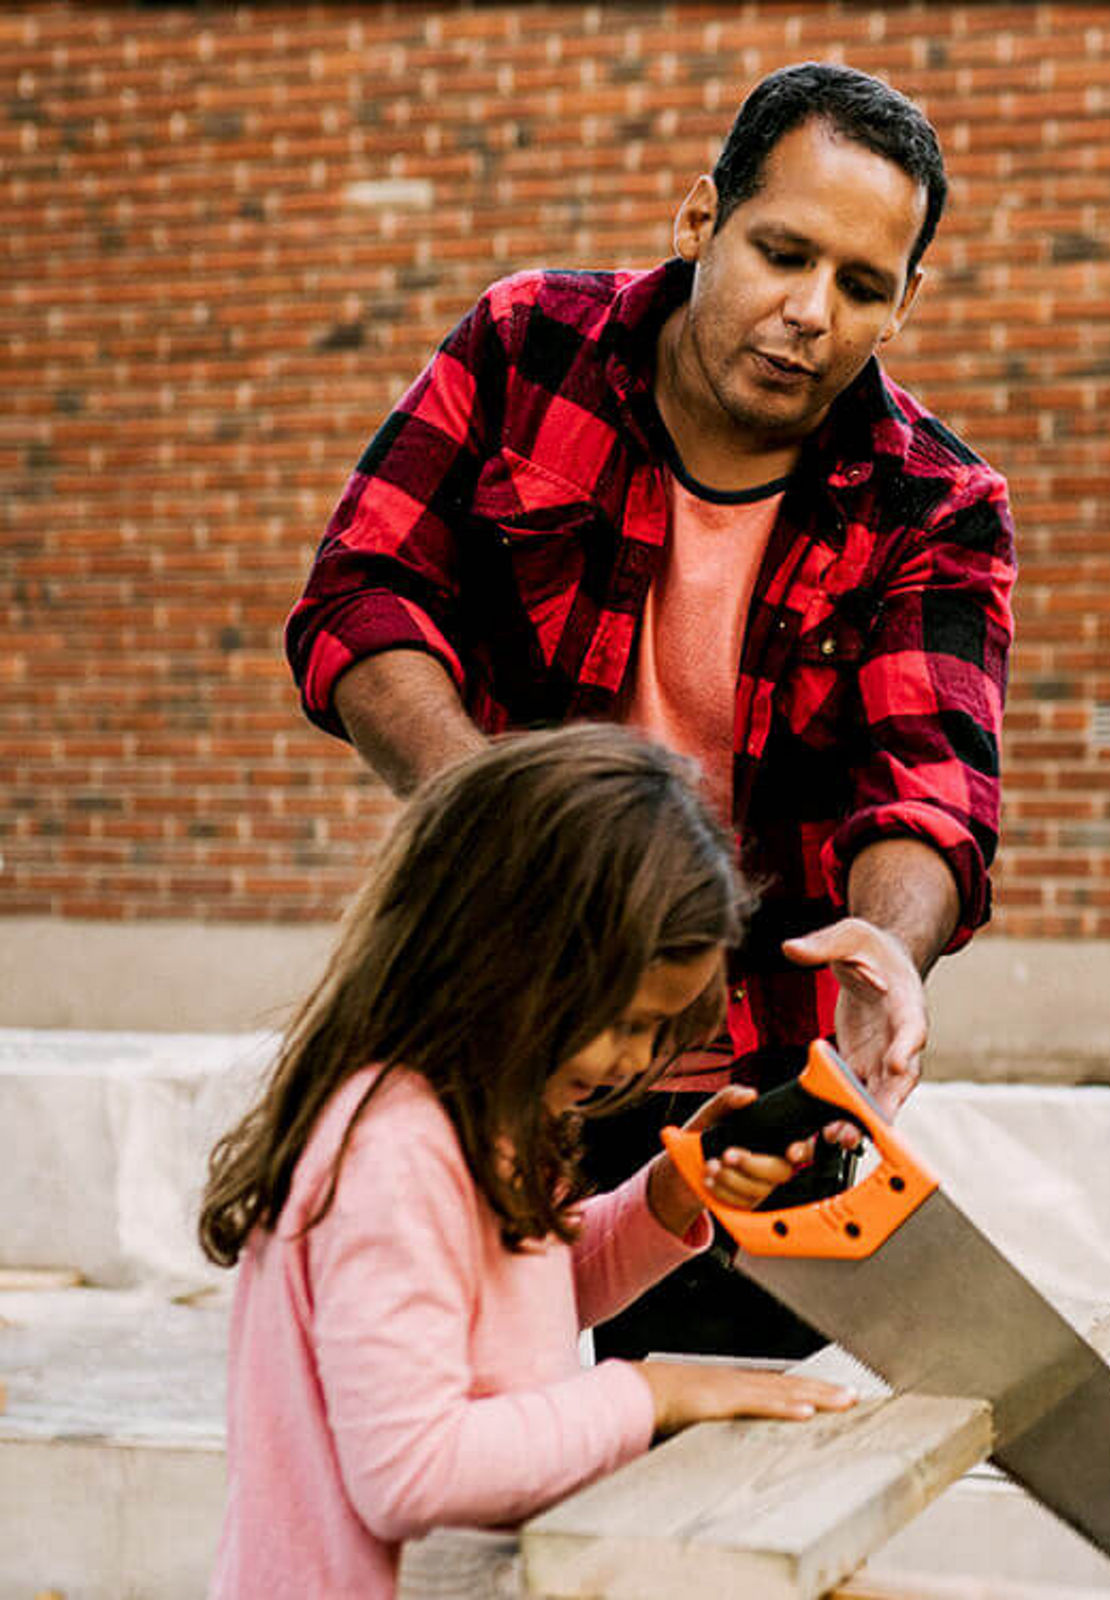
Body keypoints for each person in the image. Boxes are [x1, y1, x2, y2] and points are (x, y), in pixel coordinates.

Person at [283, 64, 1012, 1353]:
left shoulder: (934, 501)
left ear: (905, 302)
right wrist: (522, 836)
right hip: (490, 1026)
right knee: (457, 1466)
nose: (807, 313)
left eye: (860, 285)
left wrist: (889, 951)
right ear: (699, 220)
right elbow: (361, 594)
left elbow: (929, 779)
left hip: (750, 1099)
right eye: (782, 252)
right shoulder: (524, 347)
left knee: (712, 1510)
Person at [198, 726, 860, 1600]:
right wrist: (648, 1395)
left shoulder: (486, 1119)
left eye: (659, 1032)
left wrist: (666, 1197)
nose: (638, 1062)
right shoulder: (393, 1153)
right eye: (626, 1023)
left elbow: (521, 1314)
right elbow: (411, 1471)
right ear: (507, 959)